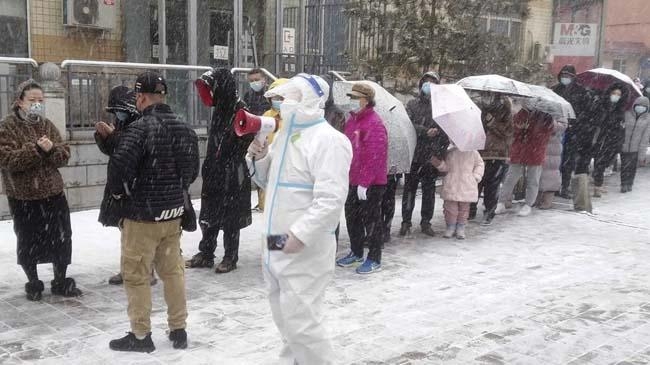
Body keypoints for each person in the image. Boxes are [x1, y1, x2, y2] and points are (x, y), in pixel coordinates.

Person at [247, 74, 352, 364]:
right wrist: (259, 155)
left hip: (305, 248)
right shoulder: (283, 135)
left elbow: (330, 200)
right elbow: (266, 181)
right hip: (276, 242)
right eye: (281, 97)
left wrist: (301, 234)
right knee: (286, 323)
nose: (282, 103)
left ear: (309, 99)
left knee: (304, 326)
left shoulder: (330, 141)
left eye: (289, 96)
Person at [108, 71, 199, 353]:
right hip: (172, 215)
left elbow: (119, 170)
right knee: (173, 273)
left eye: (137, 96)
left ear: (142, 97)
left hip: (141, 217)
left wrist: (122, 195)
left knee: (136, 275)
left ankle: (140, 335)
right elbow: (191, 172)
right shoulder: (184, 128)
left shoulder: (139, 129)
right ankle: (178, 329)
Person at [0, 79, 82, 301]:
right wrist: (35, 150)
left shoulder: (46, 124)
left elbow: (64, 155)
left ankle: (60, 279)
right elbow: (7, 159)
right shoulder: (7, 126)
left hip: (53, 193)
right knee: (28, 239)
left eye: (40, 100)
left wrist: (52, 149)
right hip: (24, 196)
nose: (37, 104)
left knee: (61, 238)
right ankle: (33, 281)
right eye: (32, 100)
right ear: (19, 102)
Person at [185, 68, 253, 274]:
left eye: (212, 89)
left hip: (232, 171)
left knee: (231, 216)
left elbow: (247, 137)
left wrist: (231, 155)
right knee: (209, 212)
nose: (210, 94)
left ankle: (230, 256)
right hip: (215, 169)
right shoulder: (220, 110)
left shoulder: (241, 109)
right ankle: (206, 252)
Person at [95, 86, 157, 287]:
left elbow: (130, 151)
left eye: (119, 110)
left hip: (136, 186)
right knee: (126, 232)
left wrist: (113, 138)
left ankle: (148, 271)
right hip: (122, 184)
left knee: (141, 233)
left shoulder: (141, 124)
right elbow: (115, 152)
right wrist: (103, 138)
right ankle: (127, 269)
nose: (117, 115)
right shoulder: (121, 122)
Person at [337, 83, 388, 274]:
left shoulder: (374, 123)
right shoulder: (352, 121)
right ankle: (356, 251)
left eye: (355, 97)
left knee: (372, 221)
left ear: (365, 100)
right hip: (352, 180)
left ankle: (374, 257)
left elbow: (375, 155)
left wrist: (365, 183)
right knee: (352, 218)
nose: (351, 101)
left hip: (371, 184)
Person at [400, 71, 449, 237]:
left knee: (429, 192)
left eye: (432, 83)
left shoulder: (441, 107)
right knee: (410, 191)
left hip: (431, 156)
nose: (428, 86)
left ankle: (426, 222)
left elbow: (447, 132)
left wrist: (439, 152)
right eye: (426, 82)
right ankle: (406, 221)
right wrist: (424, 131)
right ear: (421, 85)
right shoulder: (413, 104)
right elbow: (408, 125)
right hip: (415, 154)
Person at [495, 107, 555, 217]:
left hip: (535, 151)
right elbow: (513, 129)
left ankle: (528, 204)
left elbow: (546, 135)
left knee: (533, 180)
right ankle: (501, 202)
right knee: (510, 177)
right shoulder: (523, 112)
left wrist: (531, 130)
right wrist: (520, 128)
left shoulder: (547, 116)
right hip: (520, 150)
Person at [469, 93, 513, 225]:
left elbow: (507, 133)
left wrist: (492, 122)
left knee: (492, 186)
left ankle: (489, 212)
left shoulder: (505, 109)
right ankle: (471, 209)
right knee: (475, 182)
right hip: (479, 151)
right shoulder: (479, 108)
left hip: (497, 154)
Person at [551, 65, 594, 199]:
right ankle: (553, 187)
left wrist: (575, 123)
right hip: (556, 131)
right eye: (564, 75)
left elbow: (586, 112)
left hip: (573, 132)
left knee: (568, 161)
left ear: (573, 77)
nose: (566, 78)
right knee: (553, 161)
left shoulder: (581, 92)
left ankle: (564, 186)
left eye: (568, 76)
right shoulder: (554, 90)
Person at [431, 146, 484, 239]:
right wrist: (439, 164)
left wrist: (476, 176)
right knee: (450, 208)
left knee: (464, 208)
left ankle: (461, 226)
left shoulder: (473, 152)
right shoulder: (450, 152)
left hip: (467, 183)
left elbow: (479, 164)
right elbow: (446, 167)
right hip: (452, 183)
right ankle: (450, 226)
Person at [257, 78, 290, 212]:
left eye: (281, 97)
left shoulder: (294, 117)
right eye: (275, 97)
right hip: (270, 166)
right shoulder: (267, 116)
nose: (277, 100)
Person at [591, 83, 629, 198]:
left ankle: (598, 185)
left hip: (610, 141)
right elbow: (595, 120)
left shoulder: (620, 111)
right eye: (614, 93)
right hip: (597, 138)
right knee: (596, 163)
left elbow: (621, 129)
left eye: (618, 94)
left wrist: (618, 143)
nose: (615, 96)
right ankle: (596, 185)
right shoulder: (601, 105)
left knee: (602, 164)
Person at [620, 96, 650, 192]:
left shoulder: (648, 119)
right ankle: (623, 184)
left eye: (643, 106)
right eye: (638, 105)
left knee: (632, 167)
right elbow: (621, 131)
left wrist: (642, 154)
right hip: (624, 146)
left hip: (636, 148)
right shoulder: (626, 114)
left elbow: (645, 138)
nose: (640, 107)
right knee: (624, 166)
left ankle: (630, 183)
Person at [536, 118, 568, 209]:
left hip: (553, 150)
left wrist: (550, 120)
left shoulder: (560, 114)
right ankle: (537, 198)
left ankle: (547, 201)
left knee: (550, 174)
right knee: (538, 173)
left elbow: (561, 128)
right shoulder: (541, 112)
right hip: (540, 147)